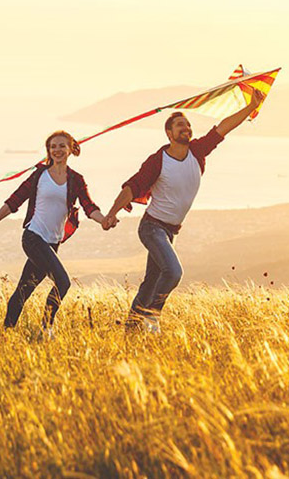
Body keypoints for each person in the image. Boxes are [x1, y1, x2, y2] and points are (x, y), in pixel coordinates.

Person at [103, 89, 266, 333]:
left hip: (170, 231)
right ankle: (152, 316)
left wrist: (250, 106)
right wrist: (111, 213)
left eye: (188, 125)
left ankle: (131, 330)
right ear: (168, 133)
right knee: (173, 272)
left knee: (150, 284)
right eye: (180, 125)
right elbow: (132, 186)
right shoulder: (158, 160)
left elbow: (224, 127)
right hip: (152, 228)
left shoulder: (198, 151)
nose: (186, 129)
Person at [0, 130, 111, 337]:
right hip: (33, 237)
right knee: (63, 282)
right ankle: (46, 328)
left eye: (61, 146)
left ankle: (5, 333)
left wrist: (103, 220)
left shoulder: (76, 179)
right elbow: (14, 201)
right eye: (53, 147)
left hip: (52, 243)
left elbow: (89, 206)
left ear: (70, 149)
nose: (57, 150)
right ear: (48, 151)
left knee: (25, 289)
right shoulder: (39, 176)